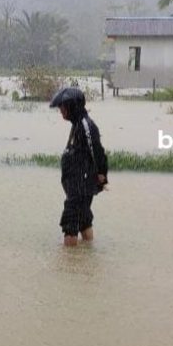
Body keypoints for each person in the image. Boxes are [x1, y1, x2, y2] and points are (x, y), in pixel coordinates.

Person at [49, 87, 108, 247]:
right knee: (83, 220)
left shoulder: (86, 126)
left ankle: (69, 260)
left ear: (72, 106)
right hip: (76, 184)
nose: (61, 111)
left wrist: (102, 176)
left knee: (70, 223)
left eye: (63, 107)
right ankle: (86, 257)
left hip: (81, 185)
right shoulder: (77, 124)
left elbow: (98, 152)